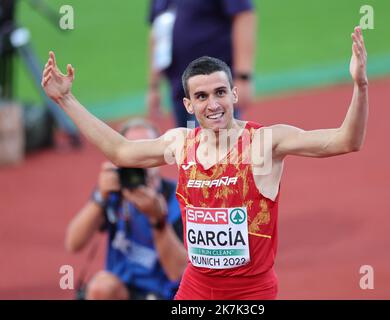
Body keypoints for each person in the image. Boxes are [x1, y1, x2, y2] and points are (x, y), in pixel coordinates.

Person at [42, 26, 368, 299]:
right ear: (187, 103)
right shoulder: (181, 143)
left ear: (234, 95)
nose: (213, 104)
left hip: (249, 293)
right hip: (196, 288)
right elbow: (121, 152)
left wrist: (360, 86)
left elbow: (345, 141)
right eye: (201, 96)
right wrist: (66, 99)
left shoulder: (266, 143)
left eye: (220, 92)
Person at [64, 118, 186, 300]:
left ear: (159, 157)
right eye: (134, 154)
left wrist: (158, 221)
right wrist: (99, 198)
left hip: (163, 292)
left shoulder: (179, 198)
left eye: (146, 152)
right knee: (101, 288)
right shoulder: (115, 192)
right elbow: (73, 243)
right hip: (120, 289)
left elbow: (179, 273)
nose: (140, 163)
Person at [147, 0, 256, 127]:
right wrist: (154, 85)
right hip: (178, 86)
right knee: (190, 141)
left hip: (213, 85)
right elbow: (158, 33)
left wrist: (243, 76)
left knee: (219, 140)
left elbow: (243, 15)